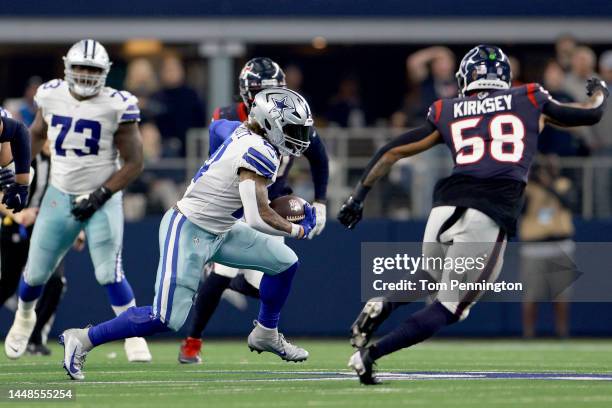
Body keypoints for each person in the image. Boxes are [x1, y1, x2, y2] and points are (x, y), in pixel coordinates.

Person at [337, 44, 608, 385]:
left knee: (432, 277)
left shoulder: (449, 109)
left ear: (466, 78)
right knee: (451, 307)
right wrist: (600, 90)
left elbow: (391, 151)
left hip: (444, 210)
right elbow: (590, 114)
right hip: (487, 215)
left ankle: (385, 304)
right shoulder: (529, 98)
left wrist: (357, 198)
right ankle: (370, 356)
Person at [58, 87, 317, 381]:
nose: (299, 136)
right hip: (189, 228)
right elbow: (257, 217)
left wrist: (215, 162)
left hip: (222, 229)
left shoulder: (241, 130)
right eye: (293, 128)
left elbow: (218, 127)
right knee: (165, 318)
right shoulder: (260, 151)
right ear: (270, 124)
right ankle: (83, 337)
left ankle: (266, 332)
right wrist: (298, 229)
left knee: (285, 262)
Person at [3, 39, 151, 362]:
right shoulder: (51, 94)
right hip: (60, 192)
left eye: (92, 69)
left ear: (105, 73)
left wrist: (100, 195)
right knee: (36, 271)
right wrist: (21, 177)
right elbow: (36, 134)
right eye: (80, 67)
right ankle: (24, 318)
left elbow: (134, 162)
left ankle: (133, 331)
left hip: (104, 194)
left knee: (109, 272)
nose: (85, 74)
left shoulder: (117, 104)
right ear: (68, 68)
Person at [178, 57, 329, 364]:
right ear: (247, 92)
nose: (269, 97)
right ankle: (192, 341)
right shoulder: (231, 117)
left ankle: (258, 320)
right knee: (221, 274)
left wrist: (321, 200)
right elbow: (218, 154)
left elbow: (319, 156)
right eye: (262, 90)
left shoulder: (292, 115)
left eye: (274, 90)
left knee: (276, 276)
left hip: (273, 204)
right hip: (237, 204)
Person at [520, 156, 575, 338]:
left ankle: (562, 332)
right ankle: (529, 333)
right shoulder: (529, 188)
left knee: (561, 294)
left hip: (560, 245)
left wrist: (547, 185)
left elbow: (570, 203)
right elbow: (519, 209)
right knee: (531, 294)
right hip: (534, 247)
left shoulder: (563, 184)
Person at [152, 54, 206, 157]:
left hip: (189, 150)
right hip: (162, 151)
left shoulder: (191, 95)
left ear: (182, 71)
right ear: (162, 73)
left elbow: (200, 121)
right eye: (168, 70)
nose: (171, 73)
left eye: (174, 69)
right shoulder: (156, 96)